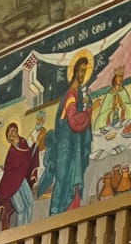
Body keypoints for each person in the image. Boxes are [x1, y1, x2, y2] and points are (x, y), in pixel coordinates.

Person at [40, 53, 94, 215]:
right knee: (63, 179)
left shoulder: (77, 94)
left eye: (86, 71)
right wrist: (89, 110)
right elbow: (73, 121)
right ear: (75, 71)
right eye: (81, 70)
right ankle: (56, 214)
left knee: (70, 179)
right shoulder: (71, 95)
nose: (83, 74)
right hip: (66, 145)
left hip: (72, 144)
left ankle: (70, 213)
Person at [0, 120, 40, 229]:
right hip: (10, 185)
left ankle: (27, 229)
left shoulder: (23, 142)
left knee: (30, 203)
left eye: (14, 131)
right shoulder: (11, 151)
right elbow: (10, 168)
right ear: (8, 137)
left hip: (21, 180)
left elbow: (28, 155)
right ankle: (21, 232)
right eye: (10, 133)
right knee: (21, 209)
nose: (12, 134)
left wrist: (35, 145)